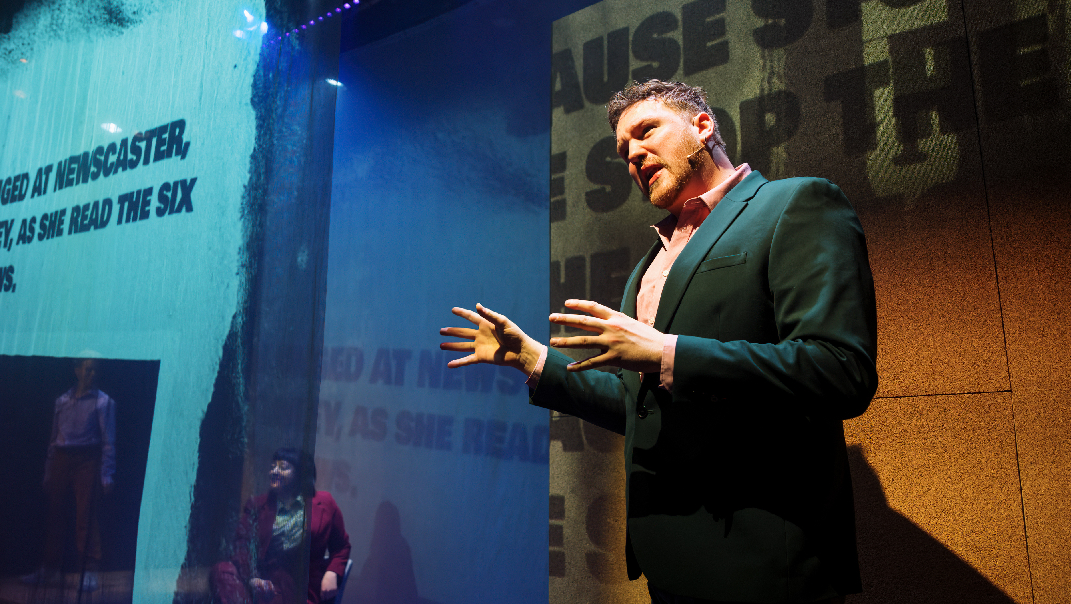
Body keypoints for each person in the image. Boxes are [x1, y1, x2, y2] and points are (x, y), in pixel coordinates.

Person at [440, 80, 877, 603]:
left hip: (766, 567)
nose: (633, 156)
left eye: (646, 132)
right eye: (624, 151)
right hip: (670, 566)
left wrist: (669, 353)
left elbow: (840, 370)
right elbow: (640, 408)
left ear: (702, 125)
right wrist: (533, 359)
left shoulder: (795, 205)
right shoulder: (649, 266)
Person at [212, 447, 351, 604]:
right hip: (261, 584)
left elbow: (341, 547)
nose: (274, 472)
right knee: (222, 570)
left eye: (283, 467)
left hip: (295, 588)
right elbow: (241, 545)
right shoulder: (257, 504)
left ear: (300, 473)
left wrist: (332, 572)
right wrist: (252, 578)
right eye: (272, 467)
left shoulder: (325, 503)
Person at [24, 357, 116, 591]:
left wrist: (106, 473)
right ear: (77, 371)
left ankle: (90, 569)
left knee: (85, 516)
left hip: (87, 459)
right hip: (62, 459)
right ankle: (50, 568)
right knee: (55, 514)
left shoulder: (103, 402)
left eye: (96, 370)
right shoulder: (62, 401)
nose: (92, 374)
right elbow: (54, 439)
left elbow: (108, 441)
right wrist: (48, 471)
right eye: (88, 369)